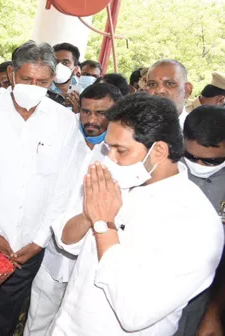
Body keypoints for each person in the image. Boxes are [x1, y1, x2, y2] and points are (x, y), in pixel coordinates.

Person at [50, 93, 224, 335]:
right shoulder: (119, 180)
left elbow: (134, 313)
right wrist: (89, 216)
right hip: (67, 325)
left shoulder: (196, 223)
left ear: (159, 151)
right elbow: (65, 240)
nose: (110, 159)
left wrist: (103, 225)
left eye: (120, 151)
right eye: (108, 149)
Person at [0, 41, 81, 336]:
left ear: (53, 79)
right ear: (13, 75)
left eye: (42, 81)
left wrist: (38, 242)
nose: (33, 86)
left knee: (4, 321)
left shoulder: (64, 121)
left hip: (29, 247)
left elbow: (63, 188)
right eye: (27, 79)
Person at [25, 83, 122, 336]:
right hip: (52, 254)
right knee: (37, 322)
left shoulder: (122, 157)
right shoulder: (66, 141)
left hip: (91, 263)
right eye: (86, 111)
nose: (91, 120)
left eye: (101, 113)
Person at [175, 106, 225, 336]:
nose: (199, 166)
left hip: (206, 298)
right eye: (192, 157)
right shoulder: (164, 169)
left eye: (211, 161)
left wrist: (214, 314)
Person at [144, 59, 193, 127]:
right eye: (152, 84)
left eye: (170, 83)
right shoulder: (131, 130)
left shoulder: (199, 131)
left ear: (187, 90)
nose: (160, 90)